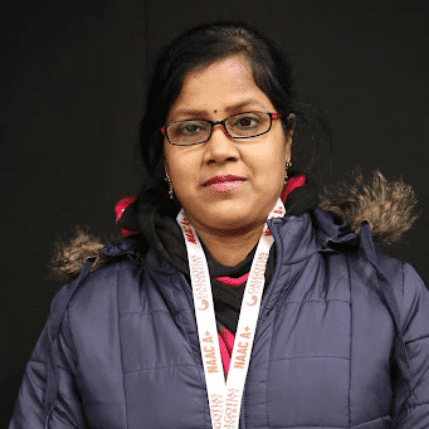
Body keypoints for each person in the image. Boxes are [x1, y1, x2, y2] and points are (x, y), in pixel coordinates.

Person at [9, 20, 429, 429]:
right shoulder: (87, 311)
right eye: (190, 128)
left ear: (287, 140)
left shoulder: (390, 295)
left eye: (246, 121)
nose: (219, 149)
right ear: (165, 155)